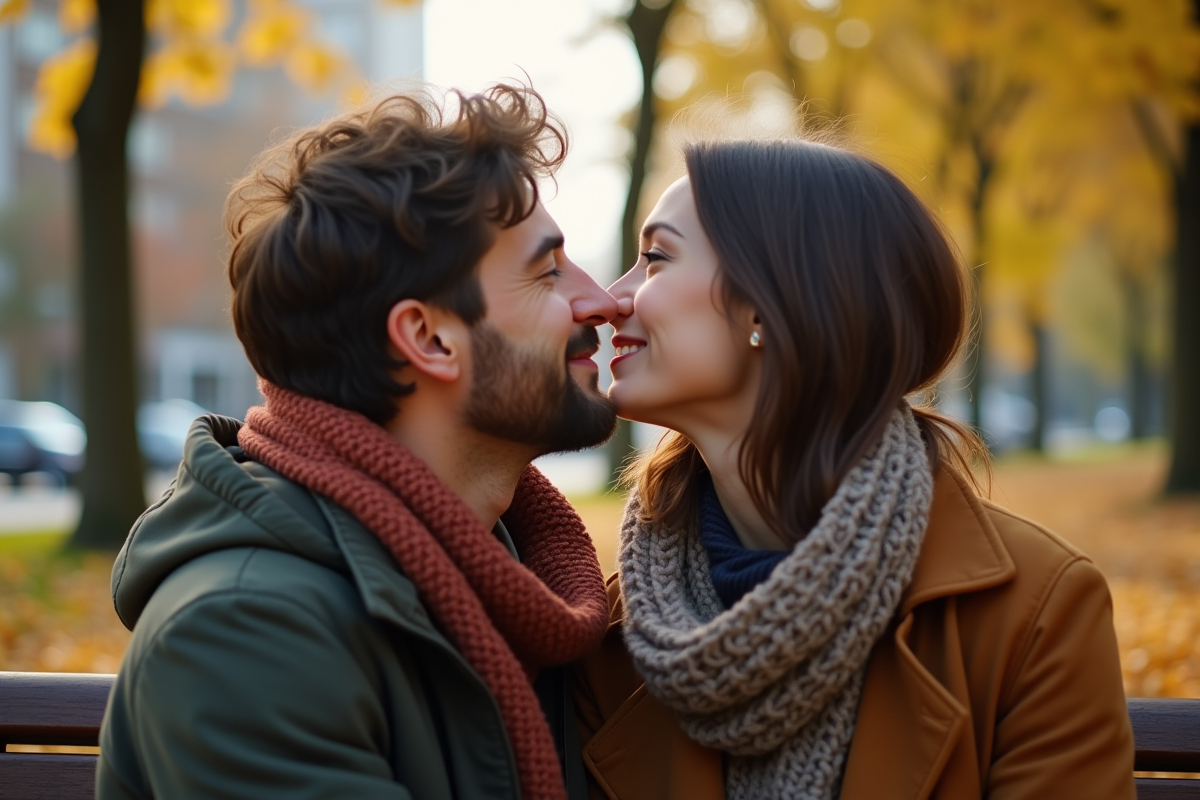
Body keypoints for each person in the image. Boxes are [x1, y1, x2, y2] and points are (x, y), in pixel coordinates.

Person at [572, 138, 1137, 800]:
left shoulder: (1034, 613)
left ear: (768, 303)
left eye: (657, 259)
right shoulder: (618, 635)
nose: (613, 298)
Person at [97, 85, 617, 800]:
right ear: (430, 338)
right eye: (548, 272)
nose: (604, 301)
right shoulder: (245, 633)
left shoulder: (523, 583)